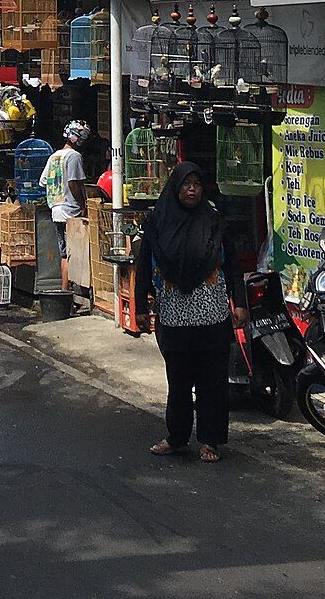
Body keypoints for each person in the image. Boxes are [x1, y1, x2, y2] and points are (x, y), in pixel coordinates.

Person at [131, 163, 246, 463]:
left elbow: (232, 265)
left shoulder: (214, 220)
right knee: (178, 383)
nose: (192, 189)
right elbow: (143, 267)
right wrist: (140, 307)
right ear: (175, 187)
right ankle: (177, 437)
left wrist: (240, 302)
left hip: (213, 317)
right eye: (186, 184)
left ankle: (211, 441)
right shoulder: (157, 222)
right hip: (173, 317)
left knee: (212, 383)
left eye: (196, 183)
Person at [42, 120, 93, 294]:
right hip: (71, 212)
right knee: (76, 252)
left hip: (56, 210)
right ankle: (72, 291)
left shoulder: (54, 156)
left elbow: (44, 181)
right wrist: (83, 204)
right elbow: (73, 183)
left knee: (64, 253)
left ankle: (65, 291)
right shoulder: (74, 156)